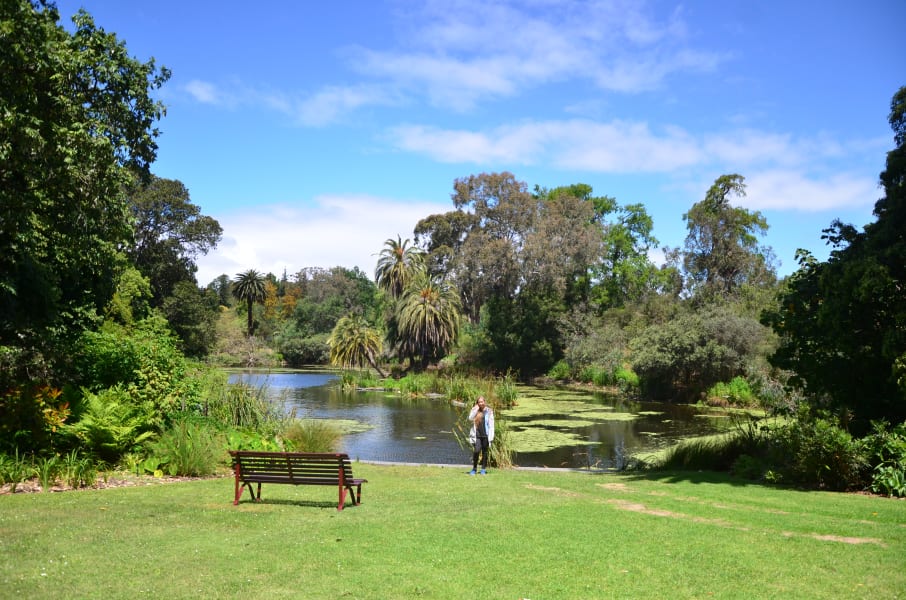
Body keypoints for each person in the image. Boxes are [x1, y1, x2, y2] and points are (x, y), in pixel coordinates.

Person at [468, 396, 495, 475]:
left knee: (485, 452)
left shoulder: (489, 411)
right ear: (477, 403)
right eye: (479, 402)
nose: (480, 403)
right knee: (476, 451)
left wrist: (491, 437)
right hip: (477, 435)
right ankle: (474, 469)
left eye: (482, 402)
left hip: (486, 435)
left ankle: (483, 469)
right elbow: (470, 418)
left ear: (484, 402)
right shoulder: (475, 410)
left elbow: (491, 425)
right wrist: (476, 409)